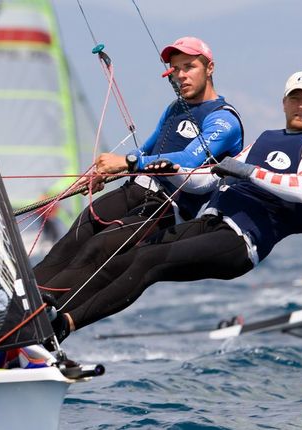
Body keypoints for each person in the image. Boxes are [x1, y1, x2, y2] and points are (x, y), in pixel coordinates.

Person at [45, 71, 302, 342]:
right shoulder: (266, 138)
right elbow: (207, 182)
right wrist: (172, 170)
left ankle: (63, 325)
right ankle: (49, 315)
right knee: (129, 254)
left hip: (239, 241)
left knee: (150, 262)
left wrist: (249, 172)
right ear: (284, 103)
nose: (301, 106)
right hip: (207, 223)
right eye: (296, 99)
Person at [33, 36, 244, 292]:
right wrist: (102, 170)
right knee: (73, 238)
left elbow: (188, 160)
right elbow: (146, 150)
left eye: (189, 67)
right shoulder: (175, 108)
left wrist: (126, 162)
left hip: (167, 206)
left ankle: (41, 311)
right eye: (176, 69)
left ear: (209, 68)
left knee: (97, 248)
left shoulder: (224, 120)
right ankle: (14, 305)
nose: (181, 76)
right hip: (134, 190)